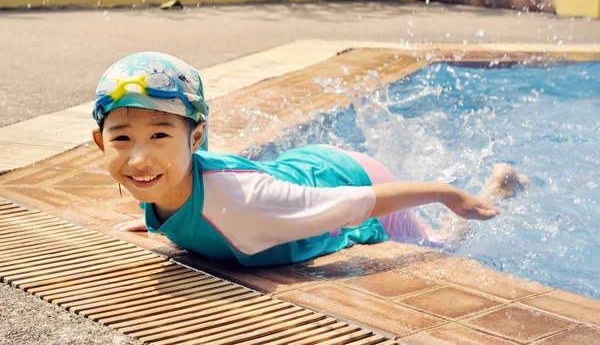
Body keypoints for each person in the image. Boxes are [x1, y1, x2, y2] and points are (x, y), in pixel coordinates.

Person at [93, 52, 528, 267]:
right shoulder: (162, 180)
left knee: (441, 245)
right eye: (123, 138)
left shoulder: (244, 202)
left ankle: (498, 183)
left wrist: (447, 194)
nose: (140, 157)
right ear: (100, 142)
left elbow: (359, 202)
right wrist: (165, 217)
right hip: (303, 169)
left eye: (159, 135)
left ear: (195, 137)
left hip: (345, 179)